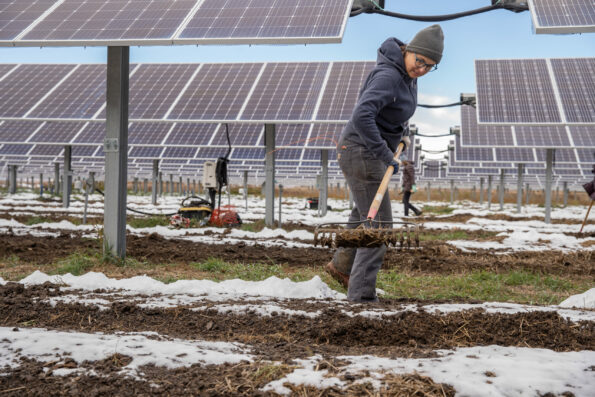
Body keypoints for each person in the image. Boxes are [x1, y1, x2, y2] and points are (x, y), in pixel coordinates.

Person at [324, 24, 444, 302]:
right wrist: (384, 153)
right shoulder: (389, 75)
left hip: (367, 151)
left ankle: (341, 266)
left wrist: (403, 132)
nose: (423, 69)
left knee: (363, 215)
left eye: (431, 66)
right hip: (361, 151)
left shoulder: (407, 76)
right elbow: (362, 115)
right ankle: (362, 298)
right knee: (380, 225)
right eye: (421, 61)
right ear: (409, 50)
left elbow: (395, 112)